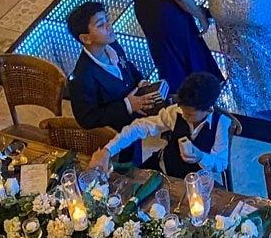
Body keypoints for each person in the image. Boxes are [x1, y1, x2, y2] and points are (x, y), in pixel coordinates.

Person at [94, 71, 231, 178]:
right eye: (183, 111)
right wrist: (108, 150)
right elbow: (139, 127)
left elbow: (221, 163)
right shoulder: (176, 112)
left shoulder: (221, 124)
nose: (184, 116)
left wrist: (201, 157)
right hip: (162, 169)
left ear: (208, 110)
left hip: (194, 181)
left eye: (190, 115)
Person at [67, 0, 157, 135]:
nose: (109, 26)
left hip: (135, 124)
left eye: (107, 20)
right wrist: (127, 105)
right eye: (100, 25)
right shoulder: (82, 78)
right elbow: (87, 118)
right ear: (86, 38)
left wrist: (141, 82)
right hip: (116, 134)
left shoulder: (113, 45)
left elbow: (127, 65)